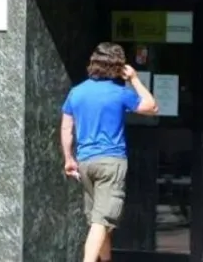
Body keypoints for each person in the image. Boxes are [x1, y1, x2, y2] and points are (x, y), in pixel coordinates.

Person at [60, 42, 158, 262]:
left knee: (99, 220)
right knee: (102, 221)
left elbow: (66, 127)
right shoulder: (120, 93)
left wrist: (69, 159)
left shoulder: (77, 92)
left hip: (85, 161)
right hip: (111, 163)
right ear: (119, 67)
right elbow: (152, 107)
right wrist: (134, 79)